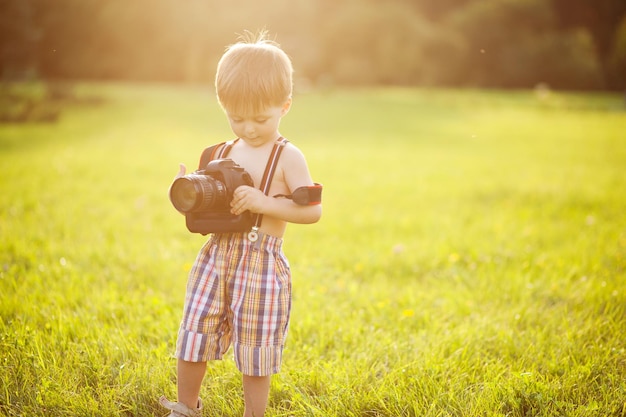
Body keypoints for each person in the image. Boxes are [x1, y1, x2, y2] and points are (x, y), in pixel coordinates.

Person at [160, 31, 322, 417]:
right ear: (223, 106)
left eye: (260, 118)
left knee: (256, 348)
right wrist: (188, 193)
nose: (249, 128)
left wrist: (265, 202)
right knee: (193, 332)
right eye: (237, 118)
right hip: (216, 255)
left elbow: (312, 212)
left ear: (285, 106)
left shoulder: (288, 156)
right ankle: (186, 406)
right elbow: (207, 207)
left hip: (261, 261)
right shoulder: (220, 151)